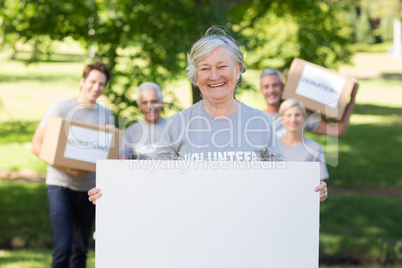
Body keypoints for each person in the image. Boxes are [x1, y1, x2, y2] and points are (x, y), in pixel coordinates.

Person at [89, 26, 328, 204]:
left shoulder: (261, 124)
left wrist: (308, 192)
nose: (214, 76)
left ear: (237, 69)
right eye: (204, 68)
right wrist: (113, 192)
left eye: (222, 66)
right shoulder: (177, 124)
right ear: (195, 76)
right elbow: (155, 187)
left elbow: (281, 186)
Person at [32, 61, 114, 268]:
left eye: (101, 84)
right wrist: (69, 169)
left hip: (90, 189)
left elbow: (111, 157)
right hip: (61, 185)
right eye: (93, 81)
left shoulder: (106, 116)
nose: (96, 88)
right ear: (83, 81)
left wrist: (110, 139)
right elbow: (37, 145)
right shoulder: (61, 108)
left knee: (80, 249)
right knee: (63, 248)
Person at [259, 68, 358, 138]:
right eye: (266, 86)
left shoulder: (299, 113)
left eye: (275, 85)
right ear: (261, 90)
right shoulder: (257, 118)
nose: (271, 90)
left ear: (283, 86)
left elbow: (338, 131)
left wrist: (352, 97)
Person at [278, 98, 329, 180]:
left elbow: (320, 185)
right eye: (289, 115)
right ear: (282, 119)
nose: (293, 120)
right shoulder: (272, 147)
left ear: (304, 117)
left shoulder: (315, 149)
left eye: (297, 115)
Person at [120, 82, 167, 159]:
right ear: (139, 106)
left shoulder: (173, 128)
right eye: (144, 102)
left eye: (154, 101)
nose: (149, 106)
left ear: (161, 103)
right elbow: (122, 163)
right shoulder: (130, 132)